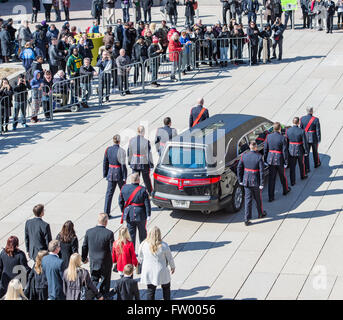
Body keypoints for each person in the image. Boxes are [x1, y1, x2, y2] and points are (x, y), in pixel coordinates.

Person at [81, 213, 114, 299]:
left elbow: (84, 246)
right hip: (105, 263)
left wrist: (83, 258)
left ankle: (90, 297)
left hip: (94, 262)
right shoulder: (109, 233)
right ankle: (104, 297)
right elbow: (112, 249)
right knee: (105, 283)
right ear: (106, 222)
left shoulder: (89, 232)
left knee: (93, 281)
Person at [138, 226, 175, 300]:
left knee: (150, 290)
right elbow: (169, 258)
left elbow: (140, 257)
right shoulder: (164, 245)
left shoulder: (143, 244)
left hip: (148, 270)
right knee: (166, 288)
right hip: (161, 270)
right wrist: (172, 266)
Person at [237, 141, 267, 226]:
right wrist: (262, 183)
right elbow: (261, 171)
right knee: (258, 199)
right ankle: (260, 213)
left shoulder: (244, 156)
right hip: (256, 181)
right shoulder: (259, 157)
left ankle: (247, 219)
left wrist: (240, 179)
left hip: (246, 180)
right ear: (256, 147)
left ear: (250, 147)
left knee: (248, 200)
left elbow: (239, 168)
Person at [119, 172, 151, 249]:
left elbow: (120, 201)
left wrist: (123, 210)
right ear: (139, 180)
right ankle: (143, 249)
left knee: (131, 234)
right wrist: (148, 214)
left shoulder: (124, 188)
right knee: (142, 234)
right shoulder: (143, 190)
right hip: (141, 214)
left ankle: (131, 251)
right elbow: (147, 203)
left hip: (129, 214)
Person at [264, 122, 291, 202]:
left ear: (273, 129)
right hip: (279, 160)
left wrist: (265, 159)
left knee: (271, 179)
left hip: (271, 159)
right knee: (282, 176)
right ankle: (285, 190)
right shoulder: (282, 138)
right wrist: (286, 161)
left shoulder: (268, 137)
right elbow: (284, 151)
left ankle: (271, 197)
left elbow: (266, 149)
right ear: (280, 129)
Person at [103, 134, 128, 216]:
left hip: (111, 173)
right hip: (119, 174)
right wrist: (125, 176)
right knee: (124, 193)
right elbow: (123, 165)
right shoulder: (121, 151)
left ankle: (106, 212)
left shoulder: (108, 150)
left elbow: (105, 163)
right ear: (119, 141)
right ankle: (124, 210)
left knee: (109, 194)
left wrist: (105, 173)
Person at [127, 126, 154, 195]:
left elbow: (129, 152)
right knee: (146, 180)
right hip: (144, 163)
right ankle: (150, 193)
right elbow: (148, 154)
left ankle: (134, 193)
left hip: (135, 162)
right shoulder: (146, 141)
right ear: (143, 132)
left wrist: (129, 161)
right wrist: (151, 164)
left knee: (135, 179)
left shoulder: (131, 140)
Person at [285, 117, 309, 186]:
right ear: (298, 122)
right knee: (301, 164)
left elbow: (287, 141)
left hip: (291, 150)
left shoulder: (288, 131)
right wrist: (306, 151)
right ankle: (303, 175)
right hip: (299, 150)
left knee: (292, 167)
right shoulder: (301, 131)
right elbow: (304, 143)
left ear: (293, 122)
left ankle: (292, 181)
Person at [300, 107, 321, 172]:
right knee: (315, 152)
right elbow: (318, 130)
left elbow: (301, 129)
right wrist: (319, 138)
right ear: (312, 111)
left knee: (306, 153)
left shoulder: (302, 118)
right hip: (314, 138)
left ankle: (307, 168)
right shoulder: (316, 119)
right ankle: (316, 164)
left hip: (305, 138)